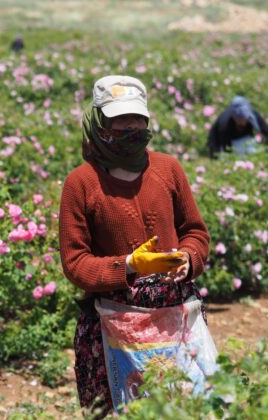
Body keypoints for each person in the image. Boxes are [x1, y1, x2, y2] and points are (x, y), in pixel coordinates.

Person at [59, 75, 210, 417]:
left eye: (137, 119)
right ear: (99, 123)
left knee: (186, 407)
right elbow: (75, 262)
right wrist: (129, 266)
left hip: (175, 317)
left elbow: (195, 231)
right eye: (120, 120)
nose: (131, 127)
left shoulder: (168, 170)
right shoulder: (81, 183)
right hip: (112, 322)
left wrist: (188, 258)